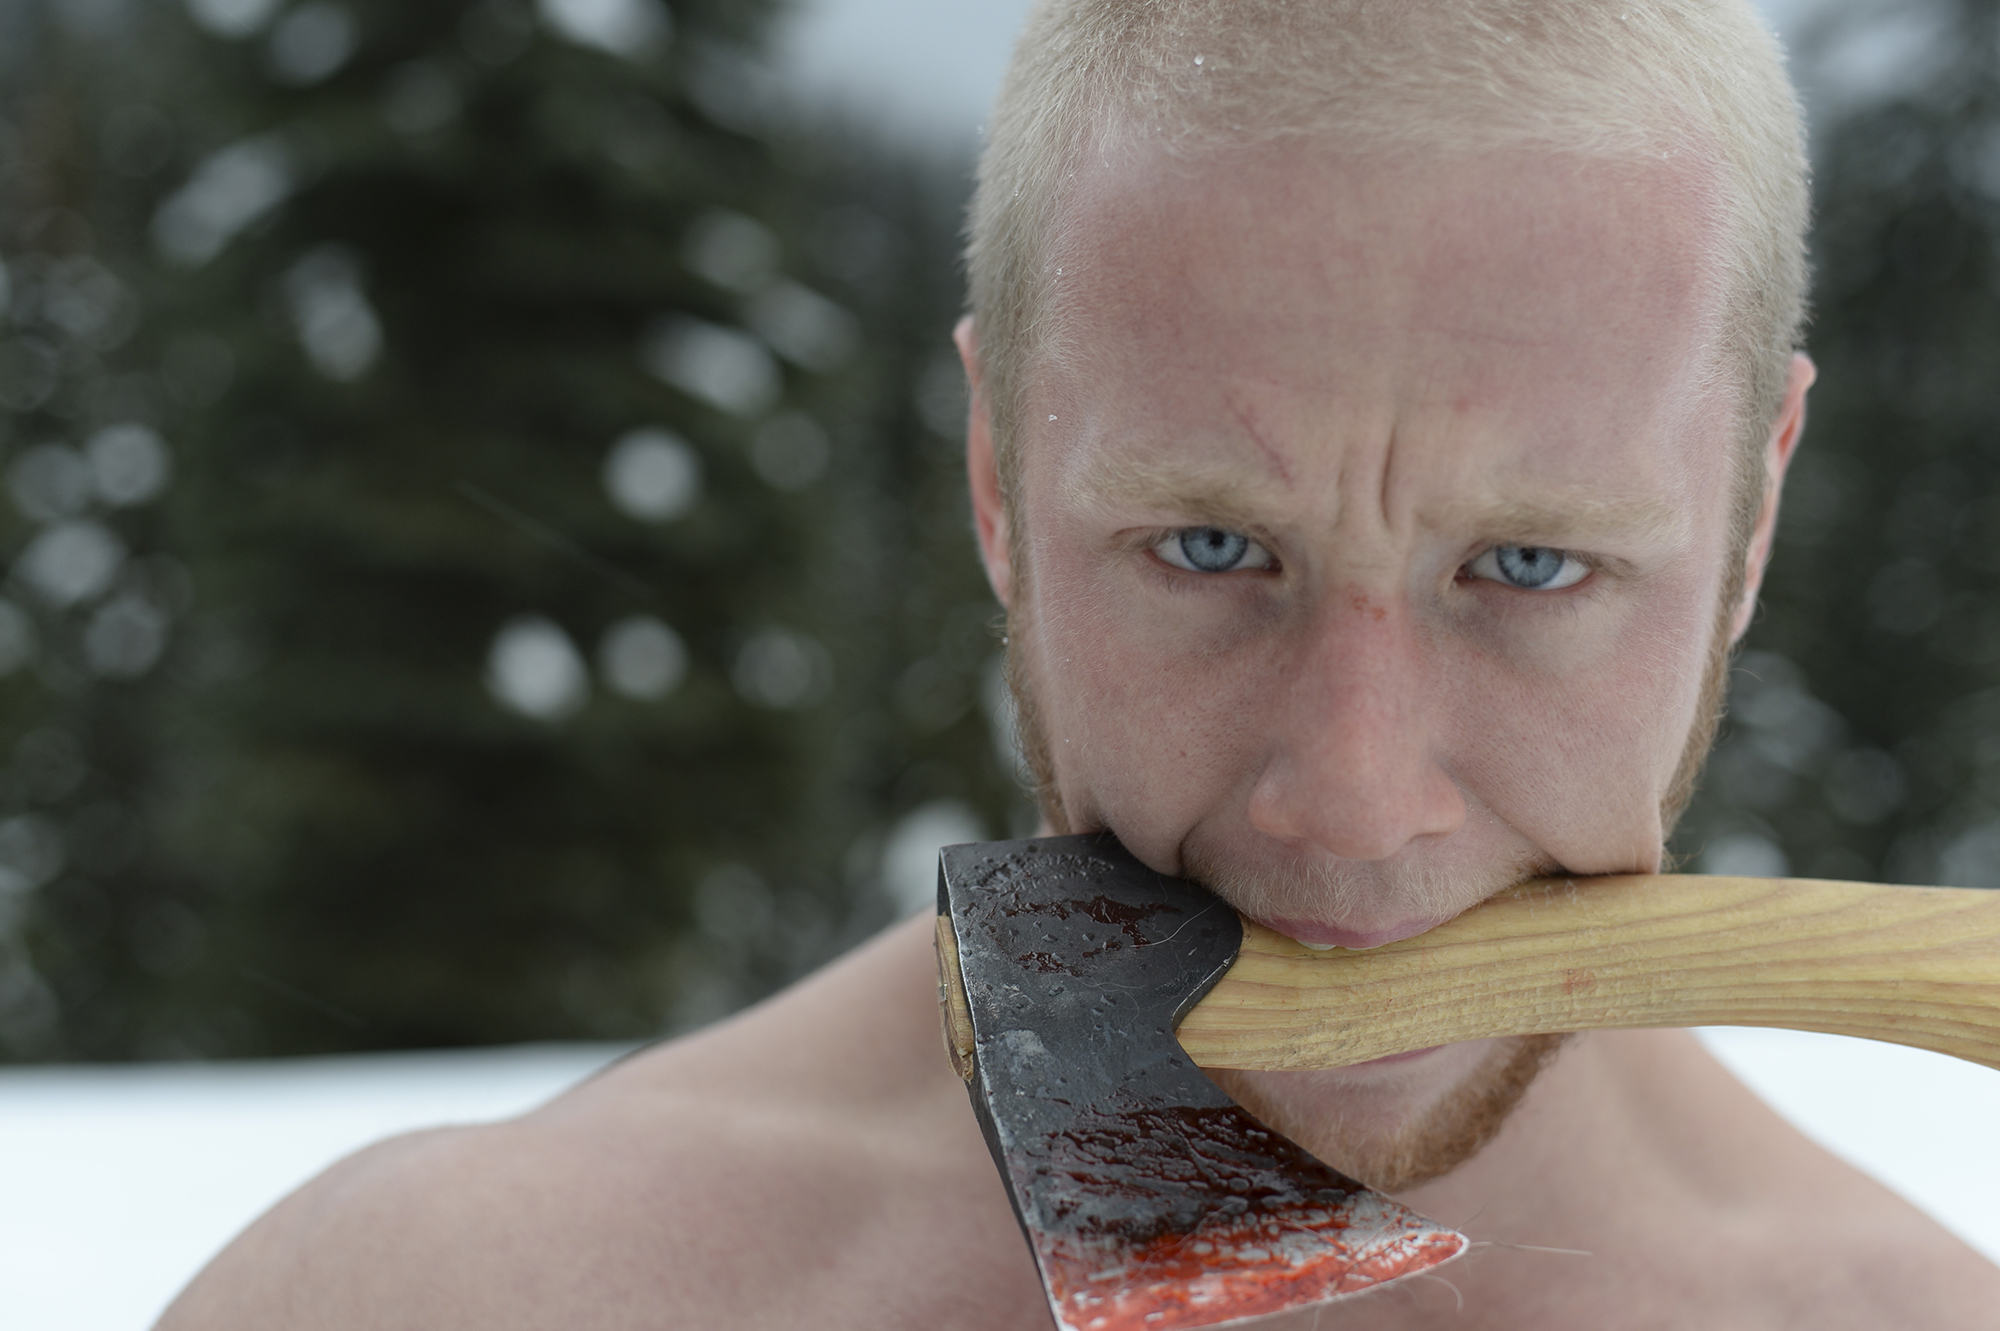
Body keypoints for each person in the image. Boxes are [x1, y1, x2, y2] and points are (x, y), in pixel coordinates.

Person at [160, 2, 2000, 1327]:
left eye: (1531, 565)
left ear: (1751, 518)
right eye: (1209, 548)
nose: (1355, 804)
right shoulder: (456, 1297)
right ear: (996, 477)